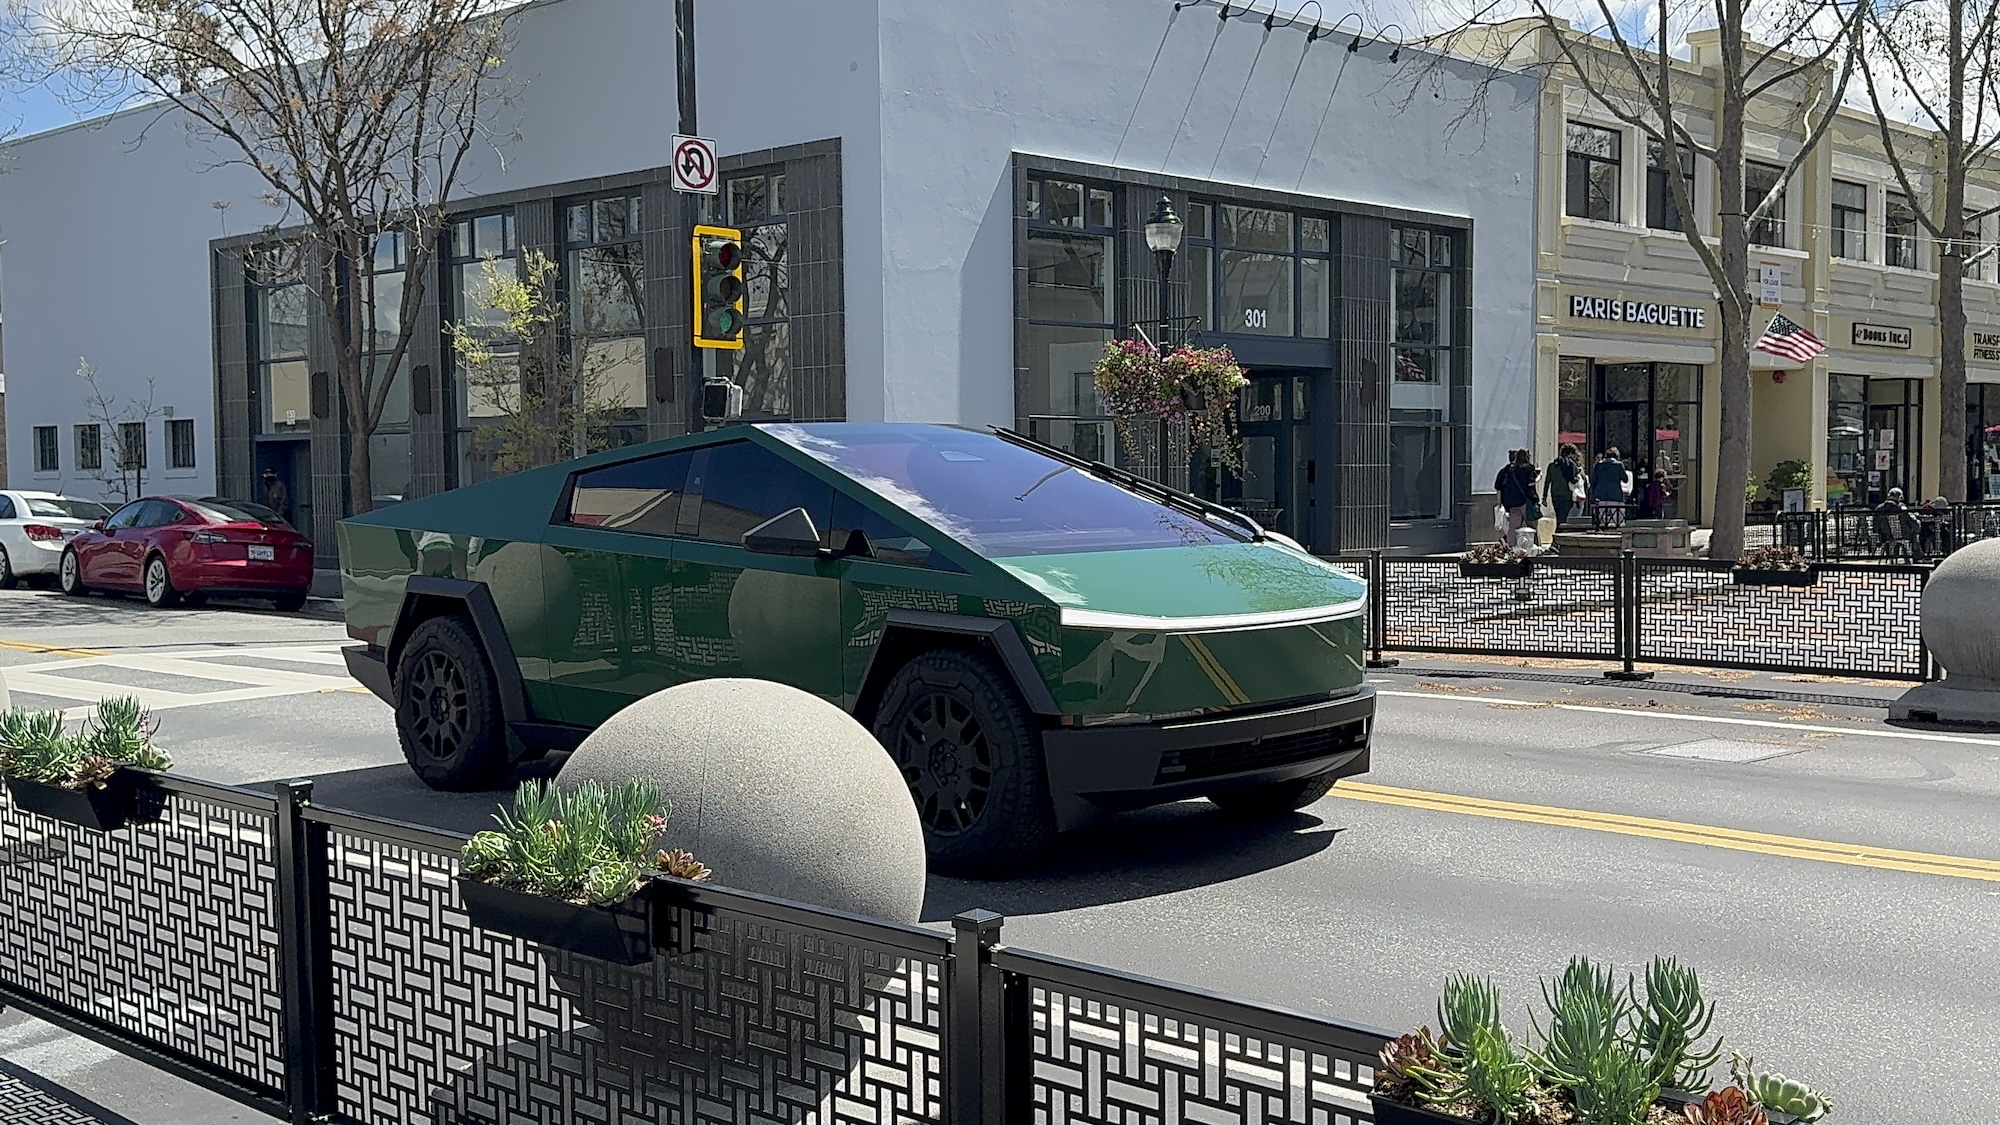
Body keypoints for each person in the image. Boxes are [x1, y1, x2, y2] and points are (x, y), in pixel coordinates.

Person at [1493, 450, 1538, 544]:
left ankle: (1510, 546)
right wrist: (1539, 476)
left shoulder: (1507, 471)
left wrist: (1500, 503)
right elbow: (1530, 483)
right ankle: (1535, 546)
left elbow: (1499, 488)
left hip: (1512, 503)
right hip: (1525, 502)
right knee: (1532, 526)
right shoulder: (1528, 469)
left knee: (1513, 527)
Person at [1544, 443, 1582, 527]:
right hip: (1567, 493)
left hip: (1555, 494)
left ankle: (1558, 530)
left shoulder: (1552, 465)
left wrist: (1544, 497)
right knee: (1565, 517)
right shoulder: (1571, 464)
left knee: (1558, 516)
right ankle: (1561, 531)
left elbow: (1547, 481)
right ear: (1570, 453)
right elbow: (1573, 480)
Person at [1590, 448, 1628, 529]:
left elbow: (1593, 480)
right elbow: (1625, 479)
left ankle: (1602, 531)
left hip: (1600, 495)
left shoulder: (1598, 465)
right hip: (1615, 494)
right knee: (1618, 519)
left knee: (1601, 519)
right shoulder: (1619, 465)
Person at [1873, 487, 1916, 559]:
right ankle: (1914, 556)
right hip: (1903, 535)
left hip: (1885, 536)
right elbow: (1911, 520)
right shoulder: (1901, 507)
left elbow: (1875, 524)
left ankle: (1891, 556)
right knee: (1914, 534)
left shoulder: (1879, 508)